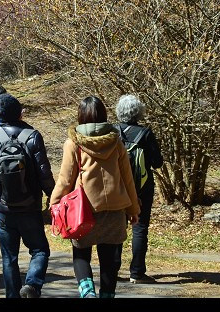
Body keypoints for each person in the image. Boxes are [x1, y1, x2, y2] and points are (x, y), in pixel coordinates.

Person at [49, 96, 140, 299]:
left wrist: (54, 204)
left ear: (81, 116)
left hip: (84, 210)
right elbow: (128, 179)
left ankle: (88, 293)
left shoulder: (73, 143)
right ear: (103, 115)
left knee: (81, 253)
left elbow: (65, 179)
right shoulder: (116, 142)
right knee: (110, 259)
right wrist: (133, 209)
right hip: (116, 211)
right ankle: (107, 294)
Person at [0, 93, 55, 298]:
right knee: (39, 250)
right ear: (20, 113)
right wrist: (53, 197)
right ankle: (31, 285)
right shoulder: (32, 136)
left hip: (3, 208)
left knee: (8, 258)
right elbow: (44, 173)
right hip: (30, 207)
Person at [114, 93, 164, 284]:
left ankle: (113, 269)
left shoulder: (112, 131)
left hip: (117, 186)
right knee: (140, 227)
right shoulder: (146, 134)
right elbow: (157, 163)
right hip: (142, 188)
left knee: (118, 226)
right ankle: (137, 273)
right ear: (139, 113)